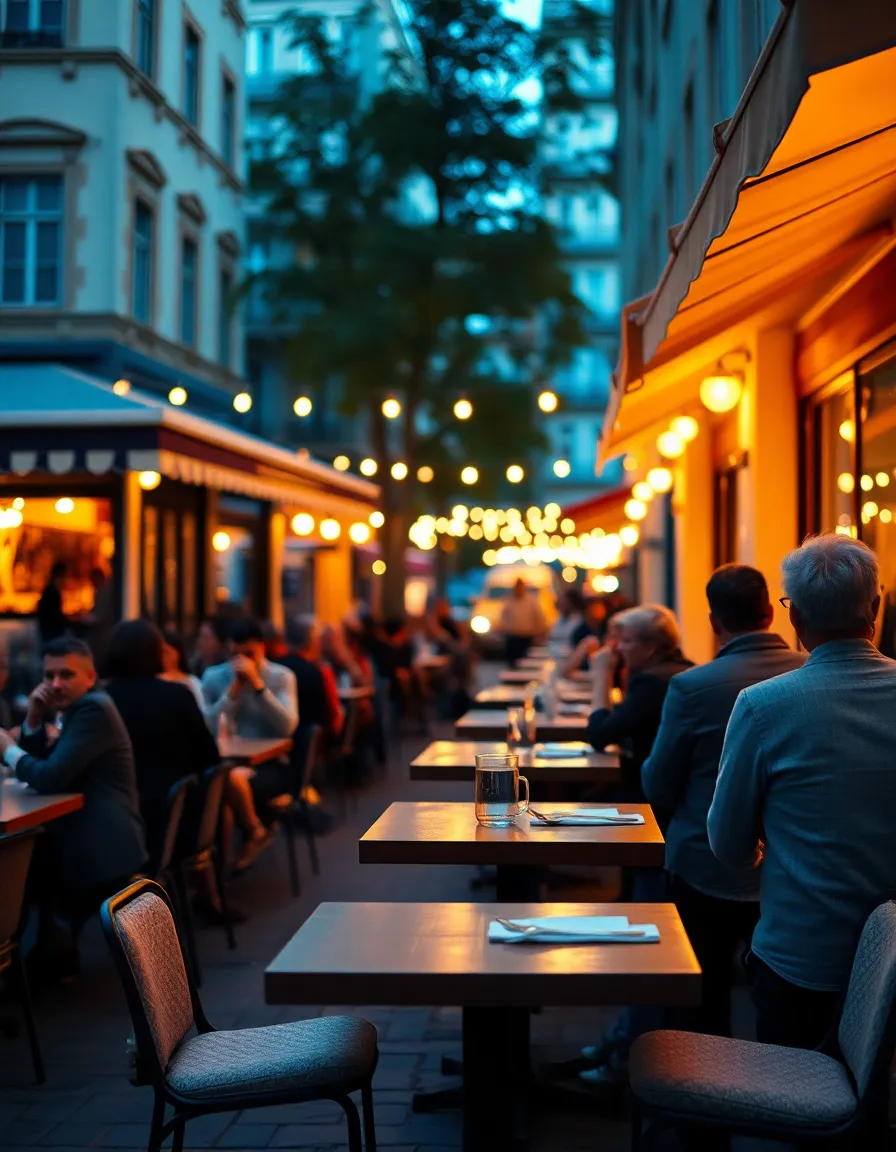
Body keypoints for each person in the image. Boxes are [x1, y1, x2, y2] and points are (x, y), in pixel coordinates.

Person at [709, 534, 896, 1051]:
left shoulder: (764, 706)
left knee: (800, 1103)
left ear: (795, 619)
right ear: (875, 608)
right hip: (894, 958)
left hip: (803, 957)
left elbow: (728, 844)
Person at [641, 565, 805, 1038]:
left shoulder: (692, 687)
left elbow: (658, 784)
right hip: (786, 869)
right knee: (776, 1000)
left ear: (715, 623)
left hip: (704, 864)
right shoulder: (807, 674)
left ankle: (703, 1092)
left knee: (701, 997)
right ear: (774, 613)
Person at [0, 637, 147, 977]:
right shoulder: (78, 709)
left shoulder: (94, 709)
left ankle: (30, 962)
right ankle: (43, 955)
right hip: (87, 836)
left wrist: (7, 748)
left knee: (18, 866)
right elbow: (46, 768)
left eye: (65, 674)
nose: (54, 684)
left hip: (101, 850)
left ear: (90, 676)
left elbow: (49, 777)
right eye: (48, 675)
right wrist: (34, 719)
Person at [104, 620, 220, 874]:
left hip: (124, 829)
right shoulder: (179, 695)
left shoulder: (103, 702)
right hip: (179, 819)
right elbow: (211, 758)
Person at [201, 617, 298, 871]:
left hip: (271, 764)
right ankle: (247, 841)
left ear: (262, 648)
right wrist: (231, 694)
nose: (241, 661)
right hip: (228, 761)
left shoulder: (280, 676)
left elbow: (288, 727)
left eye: (248, 654)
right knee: (223, 785)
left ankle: (224, 871)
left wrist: (258, 686)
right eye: (235, 654)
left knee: (226, 784)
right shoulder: (214, 677)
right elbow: (207, 726)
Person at [586, 604, 693, 797]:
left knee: (584, 797)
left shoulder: (652, 683)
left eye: (626, 641)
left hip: (653, 792)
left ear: (649, 647)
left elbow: (598, 735)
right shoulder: (686, 669)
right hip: (682, 786)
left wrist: (603, 673)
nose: (619, 647)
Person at [500, 577, 548, 666]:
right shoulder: (509, 601)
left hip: (526, 637)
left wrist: (540, 632)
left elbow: (539, 617)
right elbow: (503, 617)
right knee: (512, 663)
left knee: (526, 662)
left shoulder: (531, 601)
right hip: (512, 637)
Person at [562, 593, 610, 676]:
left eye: (601, 607)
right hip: (585, 673)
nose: (599, 611)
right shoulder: (579, 632)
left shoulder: (607, 629)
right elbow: (570, 664)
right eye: (595, 608)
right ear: (587, 610)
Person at [160, 627, 205, 709]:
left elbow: (202, 710)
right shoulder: (153, 681)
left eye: (166, 652)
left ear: (178, 653)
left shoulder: (192, 682)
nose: (161, 657)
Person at [36, 561, 68, 646]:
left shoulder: (50, 590)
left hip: (49, 631)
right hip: (52, 632)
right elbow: (54, 614)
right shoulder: (52, 592)